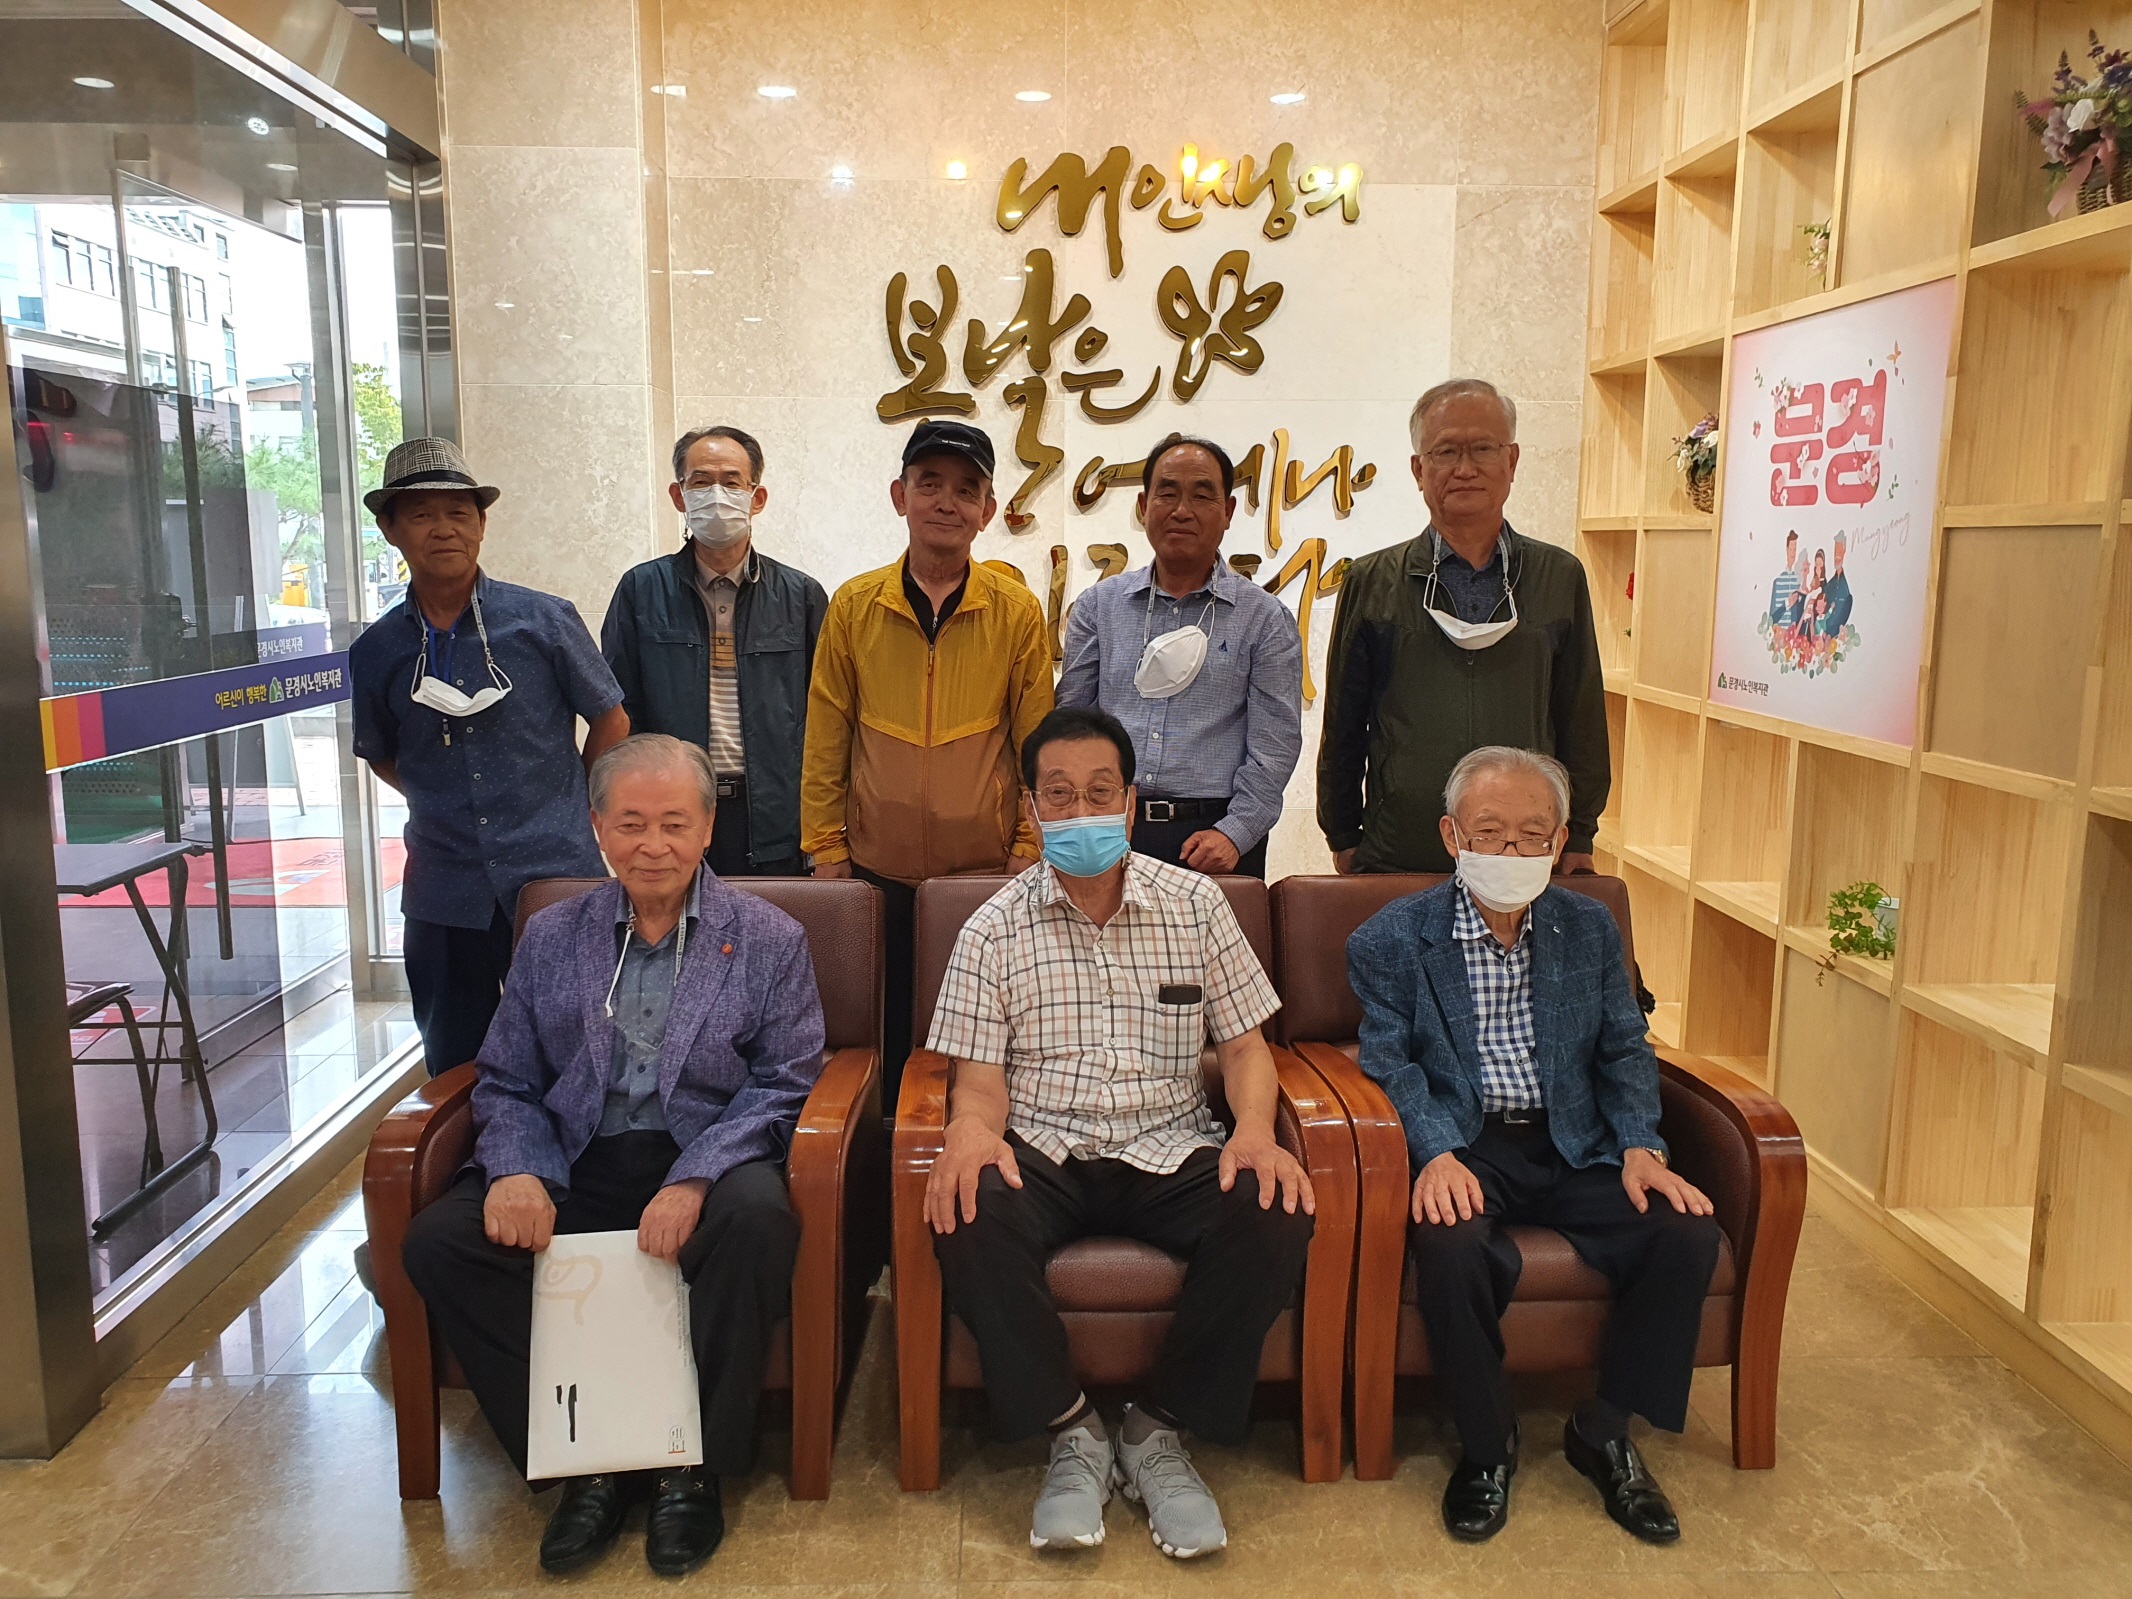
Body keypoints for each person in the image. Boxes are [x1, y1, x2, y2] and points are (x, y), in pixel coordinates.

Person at [402, 735, 825, 1578]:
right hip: (576, 1150)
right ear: (598, 828)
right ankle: (587, 1458)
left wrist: (695, 1176)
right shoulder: (553, 934)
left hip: (704, 1146)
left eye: (674, 823)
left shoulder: (768, 936)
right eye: (631, 823)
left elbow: (786, 1081)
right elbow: (506, 1074)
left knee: (756, 1219)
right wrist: (517, 1167)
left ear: (707, 828)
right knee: (439, 1241)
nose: (652, 845)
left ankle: (690, 1465)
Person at [925, 705, 1315, 1560]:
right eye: (1060, 795)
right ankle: (1070, 1429)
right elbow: (978, 1084)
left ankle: (1158, 1430)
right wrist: (970, 1133)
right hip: (1043, 1145)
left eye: (1100, 792)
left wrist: (1255, 1129)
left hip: (1168, 1141)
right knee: (965, 1202)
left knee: (1274, 1203)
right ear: (1032, 808)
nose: (1081, 811)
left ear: (1132, 802)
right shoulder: (991, 927)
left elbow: (1245, 1047)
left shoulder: (1196, 904)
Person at [1346, 746, 1720, 1546]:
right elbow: (1388, 1062)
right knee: (1448, 1241)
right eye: (1490, 832)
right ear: (1452, 835)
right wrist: (1435, 1152)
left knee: (1685, 1229)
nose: (1511, 850)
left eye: (1531, 833)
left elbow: (1625, 1046)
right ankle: (1488, 1445)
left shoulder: (1588, 926)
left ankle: (1605, 1430)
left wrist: (1642, 1145)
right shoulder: (1391, 938)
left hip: (1574, 1136)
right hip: (1468, 1139)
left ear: (1559, 840)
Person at [350, 437, 630, 1078]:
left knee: (579, 1051)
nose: (444, 529)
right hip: (443, 887)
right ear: (390, 530)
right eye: (421, 515)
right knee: (454, 1057)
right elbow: (380, 752)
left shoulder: (543, 621)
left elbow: (611, 718)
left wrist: (574, 802)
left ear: (481, 524)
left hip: (556, 871)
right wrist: (439, 800)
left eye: (459, 513)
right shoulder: (378, 649)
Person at [802, 419, 1054, 1094]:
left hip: (983, 873)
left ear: (988, 510)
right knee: (879, 1034)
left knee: (981, 1034)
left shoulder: (1016, 612)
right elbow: (827, 735)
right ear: (900, 495)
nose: (947, 502)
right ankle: (886, 1146)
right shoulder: (854, 606)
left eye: (967, 490)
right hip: (874, 867)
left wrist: (1028, 847)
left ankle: (973, 1144)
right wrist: (826, 848)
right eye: (930, 484)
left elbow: (1037, 743)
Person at [1317, 378, 1609, 877]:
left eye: (1483, 449)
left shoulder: (1559, 577)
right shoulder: (1372, 580)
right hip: (1399, 848)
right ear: (1419, 469)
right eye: (1446, 451)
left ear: (1511, 461)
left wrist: (1579, 831)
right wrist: (1343, 834)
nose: (1465, 468)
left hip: (1523, 849)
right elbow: (1344, 723)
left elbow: (1581, 716)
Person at [1057, 434, 1302, 878]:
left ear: (1228, 511)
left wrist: (1236, 833)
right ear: (1143, 506)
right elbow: (1071, 723)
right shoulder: (1098, 607)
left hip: (1215, 836)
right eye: (1167, 493)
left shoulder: (1264, 618)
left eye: (1202, 495)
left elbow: (1276, 743)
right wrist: (1081, 819)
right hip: (1111, 828)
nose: (1182, 510)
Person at [601, 426, 828, 877]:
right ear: (679, 495)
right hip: (673, 812)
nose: (717, 494)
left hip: (777, 813)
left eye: (731, 482)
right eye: (701, 481)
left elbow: (827, 718)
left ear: (756, 498)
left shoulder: (801, 595)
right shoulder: (641, 590)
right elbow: (621, 712)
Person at [1818, 534, 1852, 638]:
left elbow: (1842, 617)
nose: (1837, 556)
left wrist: (1830, 635)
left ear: (1844, 551)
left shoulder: (1845, 591)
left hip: (1834, 638)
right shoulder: (1829, 585)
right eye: (1835, 551)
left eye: (1839, 551)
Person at [1769, 530, 1801, 627]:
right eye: (1790, 549)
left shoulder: (1798, 581)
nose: (1793, 553)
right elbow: (1771, 619)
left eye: (1795, 549)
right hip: (1779, 633)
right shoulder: (1778, 582)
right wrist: (1787, 603)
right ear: (1787, 550)